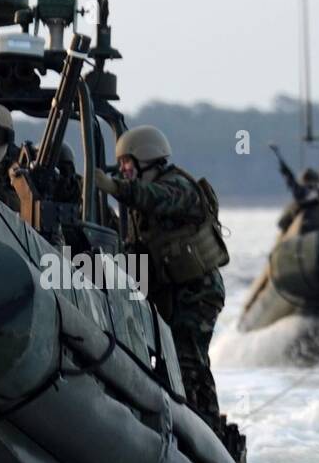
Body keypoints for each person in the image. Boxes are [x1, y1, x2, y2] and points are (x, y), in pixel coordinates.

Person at [92, 125, 228, 436]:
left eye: (128, 163)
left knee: (189, 362)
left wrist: (113, 187)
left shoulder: (177, 188)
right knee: (171, 365)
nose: (124, 169)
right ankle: (180, 425)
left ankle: (206, 432)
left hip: (197, 294)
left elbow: (153, 197)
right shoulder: (143, 209)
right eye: (122, 164)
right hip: (171, 293)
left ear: (146, 158)